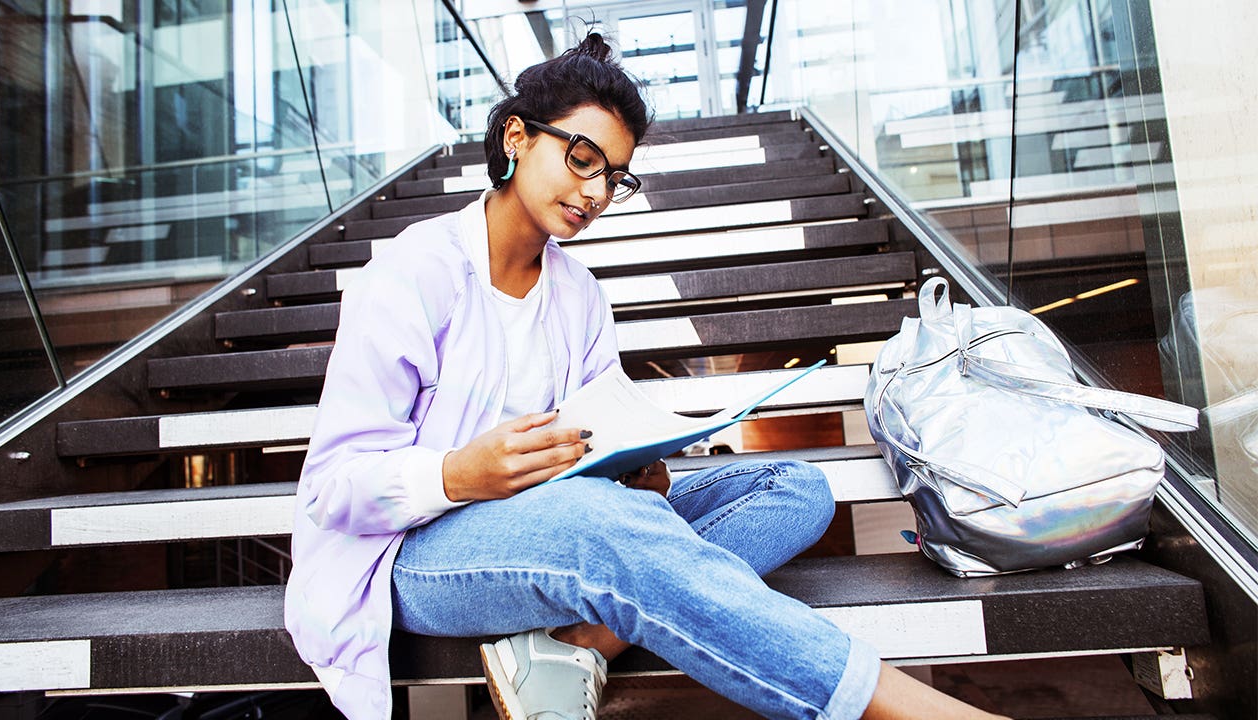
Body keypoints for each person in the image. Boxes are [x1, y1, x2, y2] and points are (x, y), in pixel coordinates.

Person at [284, 33, 1008, 720]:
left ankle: (579, 647)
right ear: (515, 138)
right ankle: (895, 705)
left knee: (794, 489)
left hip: (568, 522)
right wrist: (458, 474)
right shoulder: (415, 272)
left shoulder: (579, 295)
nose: (597, 191)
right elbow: (331, 488)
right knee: (604, 524)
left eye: (614, 175)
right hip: (415, 554)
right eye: (580, 158)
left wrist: (634, 470)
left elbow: (593, 434)